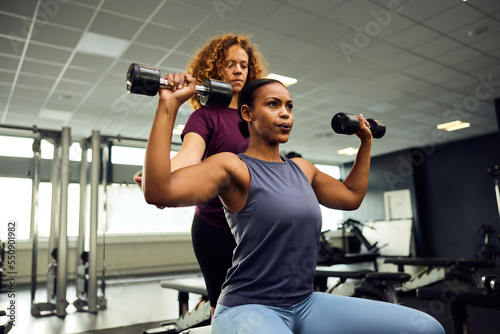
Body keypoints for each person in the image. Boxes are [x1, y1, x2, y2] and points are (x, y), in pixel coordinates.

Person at [140, 77, 445, 333]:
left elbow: (351, 197)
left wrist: (365, 144)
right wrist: (168, 105)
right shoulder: (232, 167)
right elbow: (159, 191)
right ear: (247, 113)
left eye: (289, 106)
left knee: (426, 327)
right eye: (273, 104)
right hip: (248, 306)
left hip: (306, 302)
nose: (286, 113)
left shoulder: (302, 168)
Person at [134, 33, 267, 315]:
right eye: (230, 63)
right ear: (216, 68)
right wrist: (159, 177)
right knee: (228, 311)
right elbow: (188, 157)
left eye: (243, 64)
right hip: (216, 230)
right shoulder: (206, 117)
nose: (238, 70)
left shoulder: (256, 117)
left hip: (257, 231)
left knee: (263, 308)